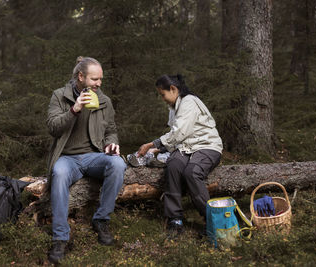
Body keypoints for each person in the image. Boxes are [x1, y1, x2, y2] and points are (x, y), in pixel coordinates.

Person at [46, 56, 126, 263]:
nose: (99, 84)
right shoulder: (59, 96)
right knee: (59, 173)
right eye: (94, 79)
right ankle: (60, 238)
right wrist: (74, 110)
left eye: (100, 79)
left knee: (118, 163)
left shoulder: (104, 100)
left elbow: (111, 130)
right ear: (81, 77)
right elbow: (53, 128)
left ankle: (101, 220)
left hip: (94, 156)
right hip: (67, 158)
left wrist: (111, 143)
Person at [137, 74, 222, 238]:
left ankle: (212, 221)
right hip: (186, 148)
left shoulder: (189, 102)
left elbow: (179, 132)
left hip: (207, 146)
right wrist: (158, 150)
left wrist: (152, 145)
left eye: (163, 94)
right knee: (174, 166)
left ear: (173, 89)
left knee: (192, 172)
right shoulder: (174, 108)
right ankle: (175, 219)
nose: (162, 98)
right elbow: (176, 136)